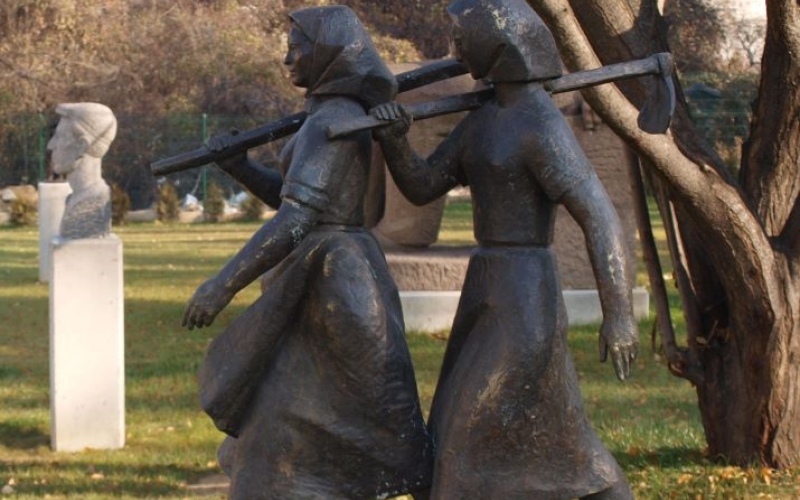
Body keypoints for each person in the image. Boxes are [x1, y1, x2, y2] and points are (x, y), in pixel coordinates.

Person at [371, 0, 639, 499]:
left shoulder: (541, 124)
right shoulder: (484, 119)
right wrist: (394, 140)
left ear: (498, 46)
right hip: (486, 286)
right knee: (462, 423)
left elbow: (598, 214)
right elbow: (425, 185)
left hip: (526, 293)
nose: (453, 50)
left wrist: (619, 314)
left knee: (468, 432)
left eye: (460, 39)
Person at [182, 6, 433, 500]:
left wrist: (222, 285)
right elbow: (293, 199)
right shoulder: (323, 119)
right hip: (320, 278)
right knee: (285, 418)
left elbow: (298, 218)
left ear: (328, 54)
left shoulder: (334, 120)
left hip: (335, 283)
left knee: (334, 419)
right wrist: (239, 166)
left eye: (296, 46)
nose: (287, 57)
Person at [47, 102, 117, 239]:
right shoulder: (74, 197)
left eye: (59, 136)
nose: (51, 145)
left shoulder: (91, 201)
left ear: (81, 145)